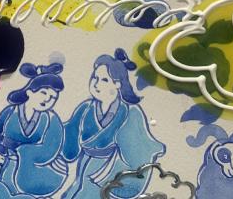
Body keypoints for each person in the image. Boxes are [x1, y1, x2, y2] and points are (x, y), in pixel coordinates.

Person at [62, 49, 165, 199]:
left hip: (106, 171)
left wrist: (110, 175)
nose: (96, 84)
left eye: (104, 80)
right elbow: (68, 134)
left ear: (117, 83)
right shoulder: (85, 108)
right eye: (95, 77)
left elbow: (138, 152)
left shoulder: (130, 112)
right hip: (85, 167)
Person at [0, 63, 67, 197]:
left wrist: (23, 150)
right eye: (43, 93)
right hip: (8, 163)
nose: (47, 99)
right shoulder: (9, 112)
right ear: (30, 92)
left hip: (38, 168)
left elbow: (50, 149)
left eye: (53, 97)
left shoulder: (51, 120)